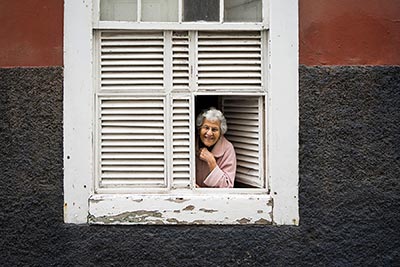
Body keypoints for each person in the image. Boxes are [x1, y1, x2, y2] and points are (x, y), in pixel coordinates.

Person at [196, 107, 236, 188]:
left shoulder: (227, 149)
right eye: (206, 128)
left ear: (221, 132)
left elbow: (227, 187)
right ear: (199, 129)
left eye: (214, 129)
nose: (209, 133)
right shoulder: (189, 144)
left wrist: (212, 162)